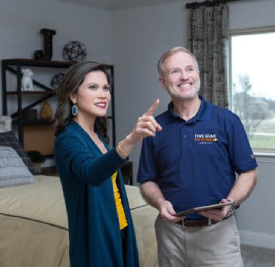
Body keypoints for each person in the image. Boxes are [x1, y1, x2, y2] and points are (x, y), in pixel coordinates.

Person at [138, 47, 258, 267]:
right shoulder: (155, 127)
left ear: (198, 75)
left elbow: (248, 172)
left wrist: (231, 202)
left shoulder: (227, 121)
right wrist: (159, 203)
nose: (184, 76)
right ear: (163, 82)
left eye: (189, 69)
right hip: (170, 235)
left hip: (217, 234)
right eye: (175, 71)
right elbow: (147, 180)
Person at [53, 61, 162, 267]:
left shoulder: (97, 136)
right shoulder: (68, 139)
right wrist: (130, 140)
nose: (103, 94)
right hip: (97, 238)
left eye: (106, 88)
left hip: (119, 229)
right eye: (93, 87)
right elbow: (92, 173)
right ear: (73, 95)